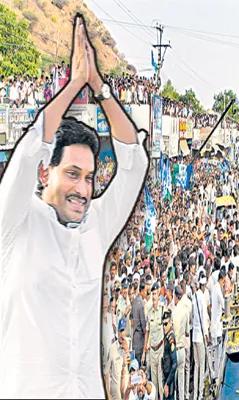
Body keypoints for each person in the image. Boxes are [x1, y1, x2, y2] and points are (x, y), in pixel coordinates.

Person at [0, 15, 148, 397]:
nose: (83, 188)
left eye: (89, 176)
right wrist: (71, 87)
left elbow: (134, 162)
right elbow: (33, 142)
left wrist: (99, 86)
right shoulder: (15, 222)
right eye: (72, 173)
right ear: (45, 173)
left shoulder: (95, 226)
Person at [144, 282, 165, 400]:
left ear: (159, 295)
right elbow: (147, 331)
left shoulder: (162, 310)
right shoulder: (149, 312)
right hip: (152, 350)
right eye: (152, 294)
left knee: (161, 382)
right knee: (154, 382)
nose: (154, 297)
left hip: (160, 348)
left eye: (155, 294)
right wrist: (145, 349)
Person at [172, 286, 190, 400]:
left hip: (175, 350)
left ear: (175, 297)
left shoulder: (173, 313)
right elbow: (187, 332)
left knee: (173, 380)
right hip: (182, 349)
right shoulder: (185, 312)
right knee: (181, 379)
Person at [161, 309, 177, 400]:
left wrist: (167, 383)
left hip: (169, 380)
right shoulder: (166, 336)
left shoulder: (171, 338)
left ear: (170, 322)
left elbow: (174, 364)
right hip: (166, 376)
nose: (164, 327)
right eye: (163, 324)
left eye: (166, 324)